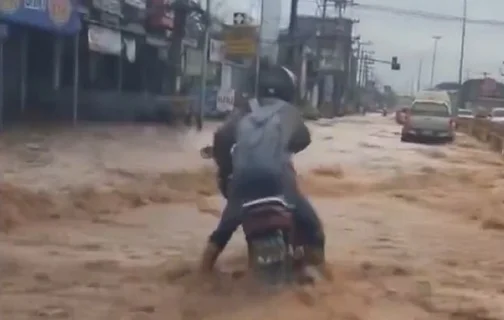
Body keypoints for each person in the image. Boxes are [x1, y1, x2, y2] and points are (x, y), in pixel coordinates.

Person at [198, 63, 327, 276]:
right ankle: (321, 278)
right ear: (290, 91)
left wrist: (226, 169)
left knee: (223, 230)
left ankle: (201, 275)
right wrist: (284, 148)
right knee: (314, 229)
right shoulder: (290, 112)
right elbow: (304, 140)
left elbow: (221, 138)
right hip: (279, 180)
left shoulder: (243, 110)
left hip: (242, 183)